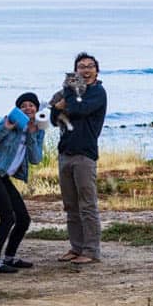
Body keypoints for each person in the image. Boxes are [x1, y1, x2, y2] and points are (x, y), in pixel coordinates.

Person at [0, 92, 46, 274]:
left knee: (23, 219)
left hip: (1, 176)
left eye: (31, 105)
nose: (28, 108)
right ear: (18, 110)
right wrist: (5, 128)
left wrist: (31, 135)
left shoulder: (38, 129)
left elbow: (36, 159)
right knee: (8, 217)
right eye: (23, 106)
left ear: (37, 109)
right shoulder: (8, 123)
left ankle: (10, 258)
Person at [51, 52, 107, 265]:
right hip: (65, 152)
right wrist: (59, 106)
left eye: (90, 66)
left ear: (96, 70)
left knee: (87, 205)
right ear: (76, 71)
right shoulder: (70, 92)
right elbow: (54, 118)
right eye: (81, 66)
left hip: (85, 154)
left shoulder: (98, 92)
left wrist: (66, 95)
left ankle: (91, 251)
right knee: (70, 205)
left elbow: (78, 108)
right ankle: (76, 247)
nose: (85, 69)